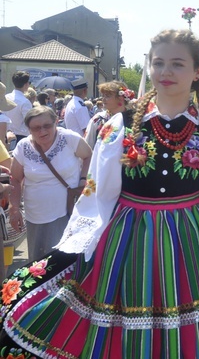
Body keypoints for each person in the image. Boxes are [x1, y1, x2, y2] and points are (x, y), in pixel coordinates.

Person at [0, 29, 199, 358]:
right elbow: (100, 193)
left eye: (177, 63)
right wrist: (80, 242)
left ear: (198, 71)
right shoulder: (120, 125)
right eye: (159, 63)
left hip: (196, 238)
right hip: (130, 238)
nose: (166, 71)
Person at [9, 106, 93, 261]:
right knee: (38, 262)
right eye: (36, 128)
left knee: (64, 260)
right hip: (35, 215)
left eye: (47, 126)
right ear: (29, 129)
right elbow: (15, 179)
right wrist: (14, 208)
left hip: (66, 211)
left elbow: (89, 156)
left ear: (56, 122)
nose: (42, 132)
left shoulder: (69, 138)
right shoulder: (23, 147)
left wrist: (82, 180)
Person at [83, 81, 135, 150]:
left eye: (107, 96)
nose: (103, 99)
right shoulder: (98, 119)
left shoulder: (133, 119)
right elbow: (87, 146)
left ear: (120, 98)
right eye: (103, 95)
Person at [5, 71, 32, 147]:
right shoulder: (25, 102)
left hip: (4, 134)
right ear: (26, 84)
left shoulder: (5, 98)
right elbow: (29, 122)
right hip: (20, 137)